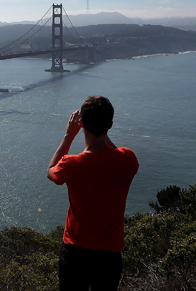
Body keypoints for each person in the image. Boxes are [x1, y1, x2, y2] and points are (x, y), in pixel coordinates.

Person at [46, 96, 139, 291]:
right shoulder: (128, 159)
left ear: (81, 124)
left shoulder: (70, 164)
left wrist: (69, 135)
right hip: (109, 254)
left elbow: (51, 171)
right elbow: (114, 151)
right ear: (110, 125)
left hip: (74, 251)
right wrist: (102, 132)